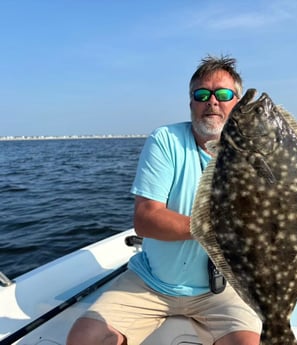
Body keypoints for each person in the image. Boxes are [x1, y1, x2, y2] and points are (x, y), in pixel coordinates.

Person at [66, 55, 262, 345]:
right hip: (151, 283)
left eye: (223, 94)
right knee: (85, 338)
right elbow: (146, 219)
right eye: (201, 94)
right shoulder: (166, 140)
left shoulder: (256, 152)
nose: (212, 102)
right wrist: (220, 228)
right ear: (191, 103)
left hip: (224, 288)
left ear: (237, 102)